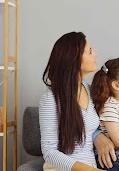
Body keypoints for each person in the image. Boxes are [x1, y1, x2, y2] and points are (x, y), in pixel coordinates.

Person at [39, 32, 101, 171]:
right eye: (90, 51)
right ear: (74, 58)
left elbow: (91, 130)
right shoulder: (51, 99)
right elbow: (49, 152)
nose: (95, 54)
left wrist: (100, 137)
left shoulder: (88, 90)